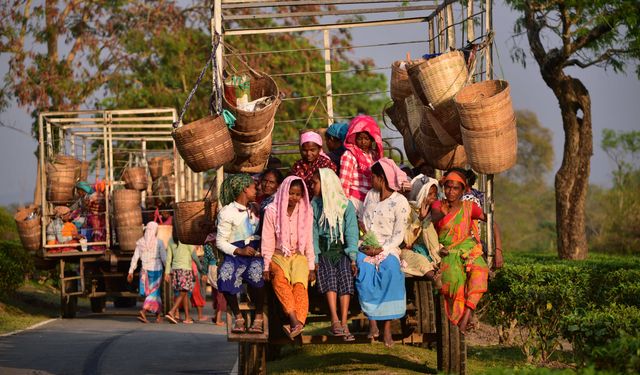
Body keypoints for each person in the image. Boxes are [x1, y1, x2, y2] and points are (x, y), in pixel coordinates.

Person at [430, 169, 504, 334]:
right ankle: (463, 317)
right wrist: (441, 214)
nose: (451, 192)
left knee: (481, 270)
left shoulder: (470, 207)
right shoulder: (438, 205)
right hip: (446, 252)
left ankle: (467, 315)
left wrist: (498, 250)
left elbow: (492, 222)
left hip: (468, 249)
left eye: (456, 188)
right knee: (454, 280)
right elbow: (431, 219)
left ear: (463, 191)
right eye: (448, 187)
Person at [357, 158, 410, 348]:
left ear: (382, 178)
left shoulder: (400, 202)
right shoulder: (370, 196)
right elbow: (364, 221)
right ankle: (372, 322)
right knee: (364, 272)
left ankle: (387, 328)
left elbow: (398, 235)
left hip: (389, 247)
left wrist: (382, 250)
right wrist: (367, 246)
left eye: (373, 177)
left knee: (390, 272)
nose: (370, 180)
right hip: (366, 245)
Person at [261, 176, 316, 339]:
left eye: (298, 194)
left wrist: (311, 266)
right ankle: (294, 320)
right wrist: (265, 265)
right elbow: (267, 240)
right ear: (284, 191)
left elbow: (308, 240)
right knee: (279, 279)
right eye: (291, 193)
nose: (294, 197)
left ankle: (298, 322)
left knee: (300, 283)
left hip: (298, 254)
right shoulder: (272, 210)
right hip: (278, 254)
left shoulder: (306, 210)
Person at [310, 168, 359, 341]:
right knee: (329, 275)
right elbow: (313, 233)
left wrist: (352, 257)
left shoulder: (346, 205)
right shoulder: (314, 205)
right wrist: (314, 258)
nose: (312, 186)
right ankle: (335, 320)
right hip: (324, 251)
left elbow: (352, 232)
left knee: (345, 275)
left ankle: (344, 322)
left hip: (342, 250)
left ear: (326, 184)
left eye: (315, 183)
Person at [216, 173, 265, 334]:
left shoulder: (257, 208)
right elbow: (220, 242)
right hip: (236, 254)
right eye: (253, 187)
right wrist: (239, 250)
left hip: (256, 252)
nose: (256, 190)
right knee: (224, 276)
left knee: (257, 274)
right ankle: (238, 317)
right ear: (244, 189)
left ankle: (258, 316)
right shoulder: (226, 212)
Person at [339, 115, 384, 218]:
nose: (363, 142)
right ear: (354, 137)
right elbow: (344, 183)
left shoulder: (374, 156)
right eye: (360, 138)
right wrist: (344, 206)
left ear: (372, 139)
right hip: (354, 200)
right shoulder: (349, 155)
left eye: (366, 139)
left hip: (371, 199)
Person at [401, 174, 442, 280]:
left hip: (421, 249)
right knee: (421, 261)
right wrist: (419, 219)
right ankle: (434, 277)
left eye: (435, 194)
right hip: (404, 251)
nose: (434, 197)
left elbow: (431, 240)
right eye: (430, 194)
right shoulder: (407, 210)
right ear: (420, 194)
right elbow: (407, 240)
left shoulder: (426, 213)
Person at [127, 221, 167, 323]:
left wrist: (131, 271)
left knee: (153, 294)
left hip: (144, 271)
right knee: (154, 293)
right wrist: (168, 270)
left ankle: (158, 316)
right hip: (156, 271)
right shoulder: (159, 242)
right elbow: (164, 258)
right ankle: (143, 311)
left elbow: (135, 258)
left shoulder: (140, 242)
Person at [164, 231, 202, 324]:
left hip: (175, 270)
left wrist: (167, 272)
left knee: (183, 293)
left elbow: (168, 258)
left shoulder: (171, 240)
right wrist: (200, 267)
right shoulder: (186, 240)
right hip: (185, 269)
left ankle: (187, 317)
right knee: (183, 292)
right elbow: (194, 255)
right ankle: (172, 312)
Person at [203, 233, 226, 326]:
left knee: (216, 293)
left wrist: (204, 273)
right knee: (221, 294)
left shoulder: (207, 243)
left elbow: (205, 260)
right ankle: (218, 319)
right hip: (219, 267)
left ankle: (216, 316)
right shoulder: (221, 241)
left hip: (211, 269)